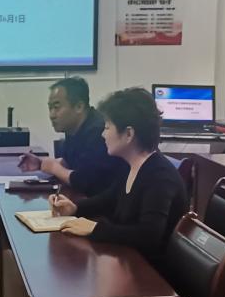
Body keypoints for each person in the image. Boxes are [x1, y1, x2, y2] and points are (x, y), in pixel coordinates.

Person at [49, 87, 187, 264]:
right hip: (130, 260)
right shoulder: (129, 165)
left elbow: (149, 236)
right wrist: (75, 209)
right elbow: (109, 199)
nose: (103, 134)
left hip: (152, 272)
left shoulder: (159, 177)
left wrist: (95, 229)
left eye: (107, 127)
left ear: (128, 134)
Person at [18, 77, 126, 196]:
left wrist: (54, 168)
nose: (51, 115)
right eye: (50, 108)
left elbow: (85, 181)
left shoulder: (98, 131)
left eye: (57, 107)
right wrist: (40, 163)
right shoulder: (73, 128)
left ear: (79, 107)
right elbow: (72, 163)